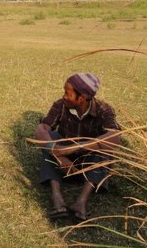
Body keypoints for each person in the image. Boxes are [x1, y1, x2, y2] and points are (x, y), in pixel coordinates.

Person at [33, 73, 121, 222]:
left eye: (68, 93)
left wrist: (75, 148)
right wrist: (59, 155)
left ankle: (81, 202)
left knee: (105, 146)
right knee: (50, 138)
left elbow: (115, 136)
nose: (64, 96)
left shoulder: (104, 110)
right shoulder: (61, 105)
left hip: (89, 168)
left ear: (81, 99)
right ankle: (57, 197)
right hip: (63, 164)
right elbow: (42, 129)